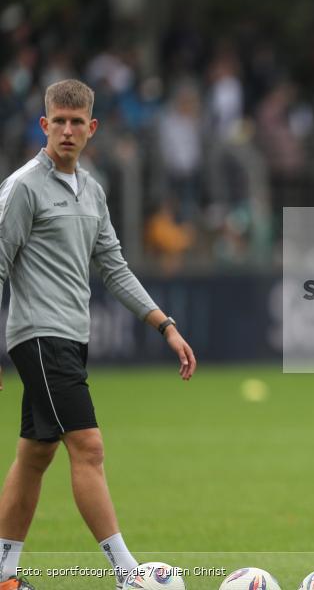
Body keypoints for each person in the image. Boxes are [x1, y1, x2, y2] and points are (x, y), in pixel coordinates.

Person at [0, 79, 197, 590]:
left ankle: (3, 574)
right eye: (57, 121)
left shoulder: (92, 191)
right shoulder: (23, 186)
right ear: (43, 126)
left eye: (76, 121)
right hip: (38, 337)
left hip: (69, 339)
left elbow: (114, 268)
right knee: (87, 446)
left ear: (92, 127)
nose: (67, 130)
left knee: (35, 454)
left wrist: (165, 326)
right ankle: (129, 575)